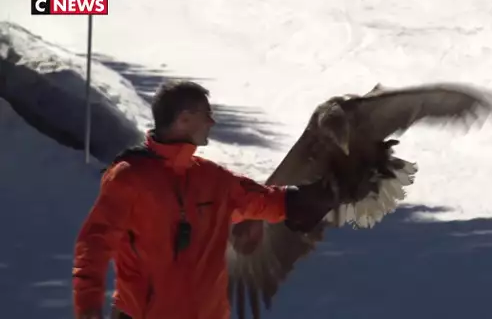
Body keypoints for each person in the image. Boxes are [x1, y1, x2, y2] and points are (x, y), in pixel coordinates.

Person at [72, 80, 372, 319]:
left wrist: (322, 195)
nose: (212, 122)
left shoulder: (212, 178)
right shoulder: (129, 177)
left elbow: (268, 201)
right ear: (185, 119)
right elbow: (94, 244)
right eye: (207, 115)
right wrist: (88, 308)